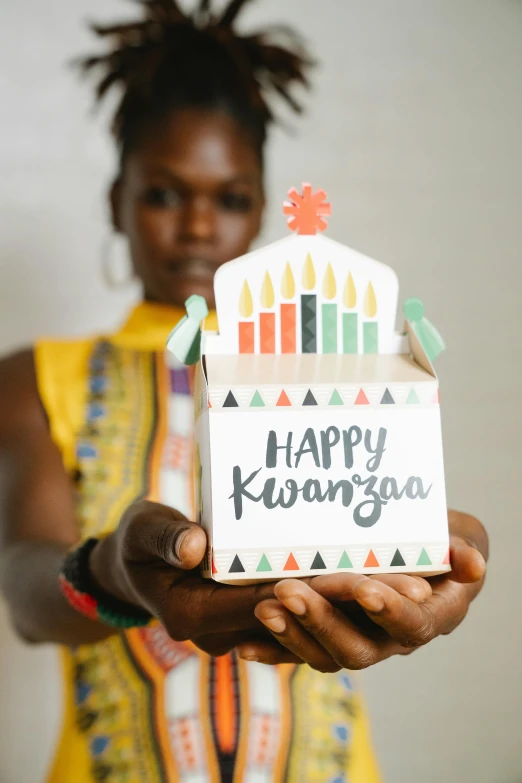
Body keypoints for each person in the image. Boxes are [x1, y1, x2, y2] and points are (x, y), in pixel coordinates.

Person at [0, 1, 488, 782]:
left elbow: (392, 491)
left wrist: (448, 555)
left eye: (229, 199)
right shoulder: (34, 376)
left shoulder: (327, 355)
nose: (197, 225)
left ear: (261, 210)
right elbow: (25, 594)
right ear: (114, 201)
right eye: (164, 193)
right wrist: (115, 572)